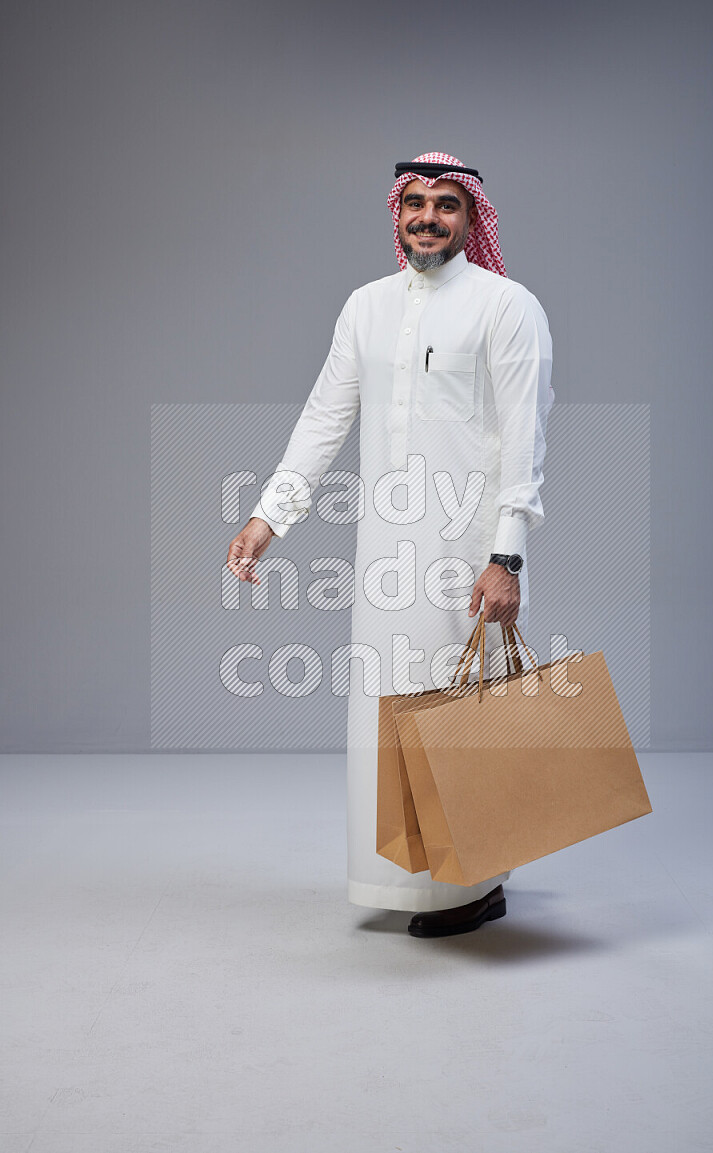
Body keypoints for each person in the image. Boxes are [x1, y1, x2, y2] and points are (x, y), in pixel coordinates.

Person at [226, 152, 554, 937]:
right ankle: (415, 880)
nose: (428, 217)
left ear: (472, 220)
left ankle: (475, 883)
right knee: (390, 717)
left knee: (463, 717)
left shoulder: (507, 307)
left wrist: (506, 555)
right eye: (415, 202)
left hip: (467, 555)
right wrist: (269, 515)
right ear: (396, 213)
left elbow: (525, 441)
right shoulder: (366, 306)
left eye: (447, 204)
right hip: (383, 556)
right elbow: (323, 418)